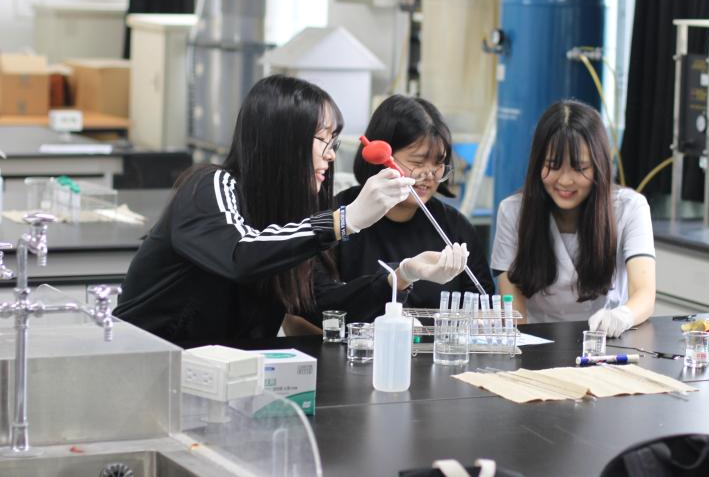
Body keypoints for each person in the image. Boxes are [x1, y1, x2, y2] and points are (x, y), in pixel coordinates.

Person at [114, 75, 467, 344]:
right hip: (151, 367)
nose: (331, 154)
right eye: (323, 139)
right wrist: (343, 221)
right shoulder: (210, 186)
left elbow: (320, 304)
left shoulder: (287, 222)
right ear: (283, 140)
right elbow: (241, 255)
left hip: (228, 375)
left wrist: (402, 275)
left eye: (334, 142)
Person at [290, 95, 493, 330]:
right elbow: (301, 312)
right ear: (380, 157)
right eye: (417, 162)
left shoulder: (454, 228)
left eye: (438, 163)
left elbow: (484, 307)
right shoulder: (336, 221)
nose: (428, 175)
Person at [491, 100, 655, 337]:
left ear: (599, 165)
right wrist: (522, 345)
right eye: (553, 166)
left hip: (606, 340)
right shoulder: (513, 211)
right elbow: (513, 310)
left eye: (580, 168)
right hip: (536, 342)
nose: (565, 180)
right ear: (537, 164)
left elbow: (644, 294)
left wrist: (622, 316)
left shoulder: (630, 208)